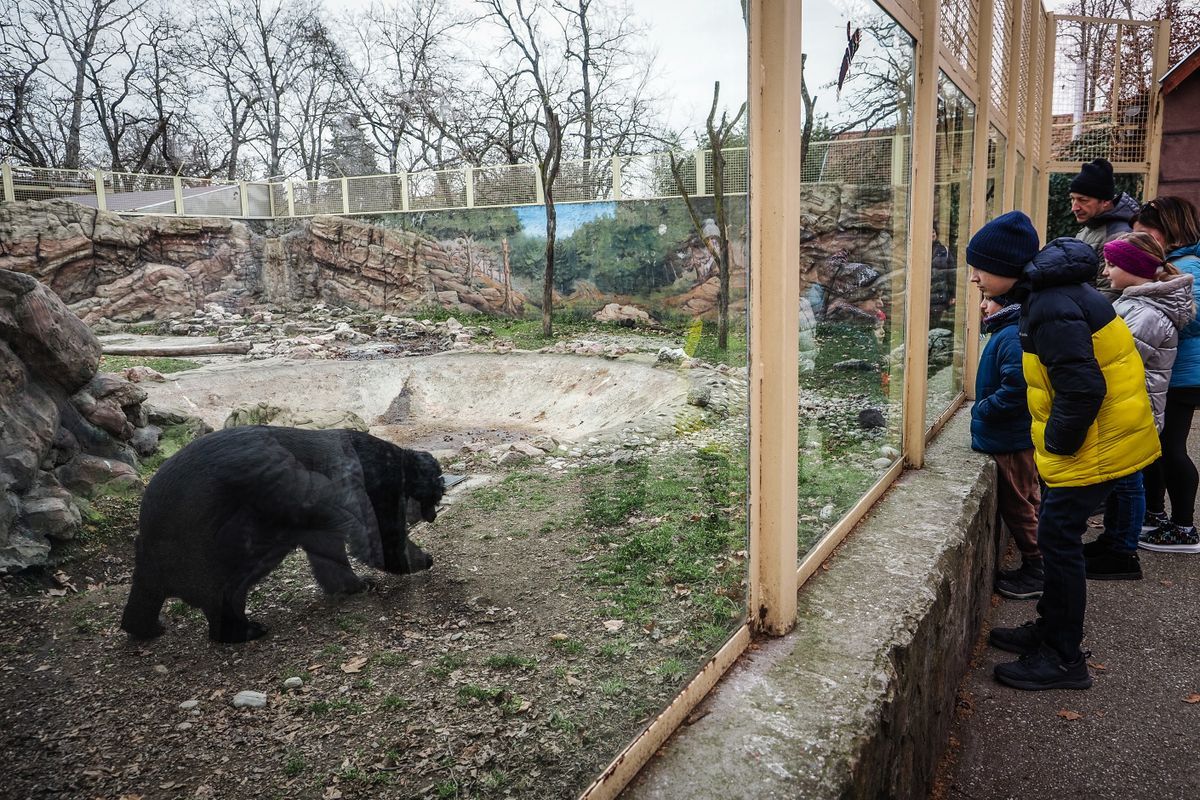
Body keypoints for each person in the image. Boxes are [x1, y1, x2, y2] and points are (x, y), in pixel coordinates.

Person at [969, 211, 1160, 691]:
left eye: (980, 267)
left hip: (1092, 443)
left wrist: (1056, 444)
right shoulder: (1048, 294)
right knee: (1058, 540)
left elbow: (1081, 388)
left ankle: (1062, 656)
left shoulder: (1052, 305)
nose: (974, 277)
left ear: (1008, 266)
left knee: (1059, 545)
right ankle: (1049, 630)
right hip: (1098, 436)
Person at [1082, 232, 1193, 579]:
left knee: (1128, 481)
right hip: (1133, 404)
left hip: (1134, 407)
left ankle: (1121, 552)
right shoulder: (1137, 302)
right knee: (1123, 479)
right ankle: (1114, 540)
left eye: (1113, 264)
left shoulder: (1146, 311)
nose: (1106, 270)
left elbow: (1117, 356)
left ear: (1134, 267)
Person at [1133, 197, 1200, 553]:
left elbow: (1194, 316)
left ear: (1168, 231)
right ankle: (1156, 516)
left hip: (1184, 374)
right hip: (1176, 369)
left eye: (1146, 235)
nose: (1141, 243)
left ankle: (1184, 528)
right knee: (1159, 447)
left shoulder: (1188, 265)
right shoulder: (1178, 262)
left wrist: (1151, 304)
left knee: (1171, 448)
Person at [970, 290, 1042, 599]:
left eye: (989, 299)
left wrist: (984, 409)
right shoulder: (1010, 331)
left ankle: (1038, 568)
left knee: (1020, 506)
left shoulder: (1011, 336)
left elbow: (1017, 387)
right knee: (1030, 499)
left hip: (1010, 438)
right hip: (1014, 435)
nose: (983, 305)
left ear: (1009, 304)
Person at [1068, 158, 1140, 299]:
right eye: (1072, 199)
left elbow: (1110, 294)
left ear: (1106, 201)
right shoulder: (1090, 227)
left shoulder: (1119, 236)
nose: (1074, 207)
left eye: (1083, 200)